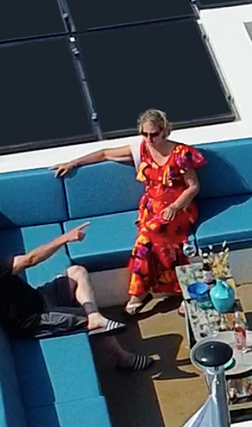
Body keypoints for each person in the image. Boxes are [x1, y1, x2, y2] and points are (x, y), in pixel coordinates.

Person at [54, 108, 205, 316]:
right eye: (145, 134)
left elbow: (193, 186)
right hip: (151, 208)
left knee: (151, 239)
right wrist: (73, 163)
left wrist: (174, 207)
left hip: (179, 207)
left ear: (165, 132)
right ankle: (162, 291)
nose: (149, 139)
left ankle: (143, 293)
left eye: (154, 134)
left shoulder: (182, 154)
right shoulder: (141, 149)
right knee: (149, 240)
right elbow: (105, 153)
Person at [0, 215, 153, 372]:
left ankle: (96, 316)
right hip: (33, 320)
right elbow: (30, 260)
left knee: (77, 272)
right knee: (87, 322)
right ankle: (124, 359)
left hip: (37, 298)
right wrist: (65, 238)